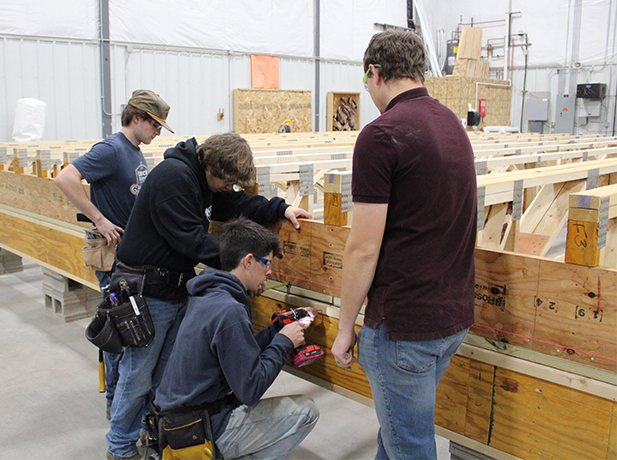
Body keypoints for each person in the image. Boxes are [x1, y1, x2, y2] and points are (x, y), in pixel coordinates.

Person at [106, 132, 312, 460]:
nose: (230, 188)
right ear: (213, 167)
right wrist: (242, 269)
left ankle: (155, 435)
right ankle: (119, 446)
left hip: (173, 287)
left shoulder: (203, 181)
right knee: (139, 374)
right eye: (228, 181)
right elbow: (190, 239)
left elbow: (238, 204)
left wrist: (281, 208)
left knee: (160, 375)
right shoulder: (173, 178)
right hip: (149, 290)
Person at [331, 30, 477, 460]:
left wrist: (344, 327)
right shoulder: (451, 123)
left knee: (409, 446)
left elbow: (363, 248)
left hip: (403, 329)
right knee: (396, 433)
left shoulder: (381, 135)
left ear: (374, 73)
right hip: (452, 319)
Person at [154, 216, 319, 459]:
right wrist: (284, 341)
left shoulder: (209, 295)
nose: (270, 272)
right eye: (267, 264)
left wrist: (275, 331)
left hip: (179, 423)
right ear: (249, 261)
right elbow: (250, 389)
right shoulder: (230, 310)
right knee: (306, 412)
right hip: (200, 430)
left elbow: (237, 354)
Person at [54, 89, 173, 420]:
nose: (158, 132)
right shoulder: (111, 149)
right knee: (119, 332)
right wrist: (100, 218)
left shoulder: (134, 151)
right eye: (155, 125)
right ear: (136, 118)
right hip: (113, 258)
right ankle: (116, 407)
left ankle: (123, 404)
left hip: (130, 257)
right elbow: (65, 178)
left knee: (128, 329)